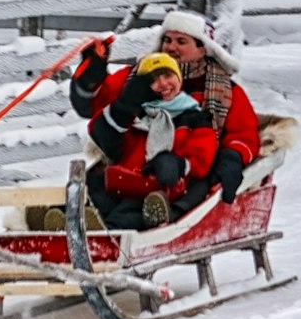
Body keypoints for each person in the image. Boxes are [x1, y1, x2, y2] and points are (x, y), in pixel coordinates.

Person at [70, 9, 260, 217]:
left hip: (184, 177)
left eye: (181, 41)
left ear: (203, 48)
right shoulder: (137, 77)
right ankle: (75, 219)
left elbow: (243, 135)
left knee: (131, 209)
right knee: (97, 190)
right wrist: (91, 76)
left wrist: (231, 158)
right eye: (167, 40)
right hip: (130, 167)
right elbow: (94, 108)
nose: (171, 47)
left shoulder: (225, 91)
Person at [82, 53, 218, 228]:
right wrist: (123, 106)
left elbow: (203, 155)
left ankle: (102, 232)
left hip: (161, 190)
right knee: (94, 191)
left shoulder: (195, 116)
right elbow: (103, 135)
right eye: (153, 80)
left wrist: (178, 163)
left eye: (168, 76)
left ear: (179, 78)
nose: (162, 84)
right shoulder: (139, 114)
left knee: (128, 212)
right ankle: (71, 221)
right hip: (124, 181)